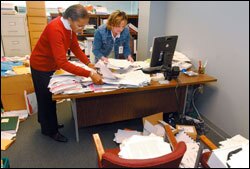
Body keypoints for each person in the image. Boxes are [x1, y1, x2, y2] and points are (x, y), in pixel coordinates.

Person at [30, 4, 103, 143]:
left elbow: (75, 47)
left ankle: (47, 123)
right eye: (80, 26)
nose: (81, 29)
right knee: (46, 97)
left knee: (48, 96)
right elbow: (63, 62)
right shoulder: (55, 29)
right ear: (70, 19)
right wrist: (89, 73)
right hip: (41, 65)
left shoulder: (69, 28)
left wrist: (88, 63)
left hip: (51, 64)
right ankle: (50, 131)